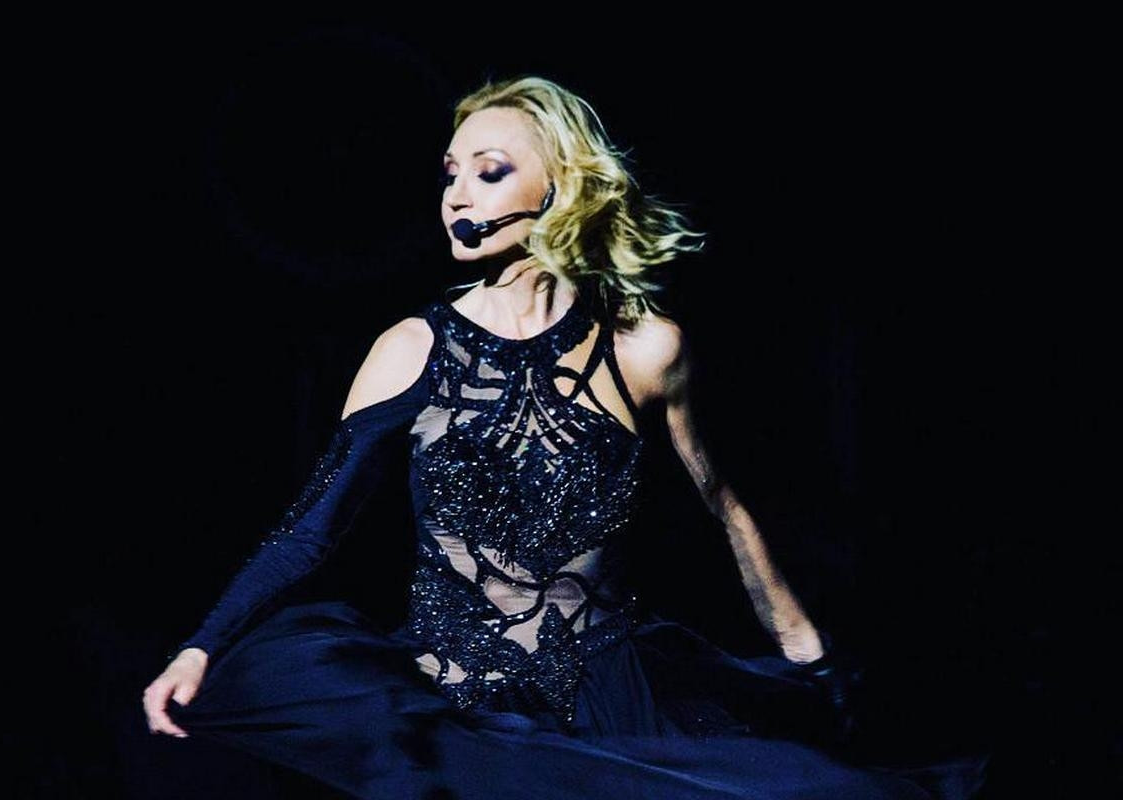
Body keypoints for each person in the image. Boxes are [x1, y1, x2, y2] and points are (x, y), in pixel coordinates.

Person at [143, 75, 990, 799]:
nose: (457, 195)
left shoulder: (647, 348)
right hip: (458, 709)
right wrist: (201, 646)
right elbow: (309, 531)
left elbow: (723, 505)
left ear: (557, 189)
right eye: (450, 175)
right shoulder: (410, 349)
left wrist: (805, 650)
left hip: (616, 699)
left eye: (489, 171)